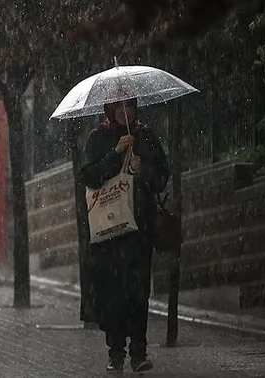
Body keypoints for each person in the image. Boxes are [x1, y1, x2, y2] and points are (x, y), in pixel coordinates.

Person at [80, 98, 169, 373]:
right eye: (118, 106)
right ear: (109, 109)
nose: (124, 111)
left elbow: (162, 178)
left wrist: (144, 169)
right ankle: (116, 351)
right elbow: (89, 176)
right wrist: (115, 154)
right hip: (109, 232)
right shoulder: (98, 138)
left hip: (138, 230)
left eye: (128, 105)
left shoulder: (145, 136)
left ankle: (139, 352)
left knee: (139, 292)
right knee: (113, 293)